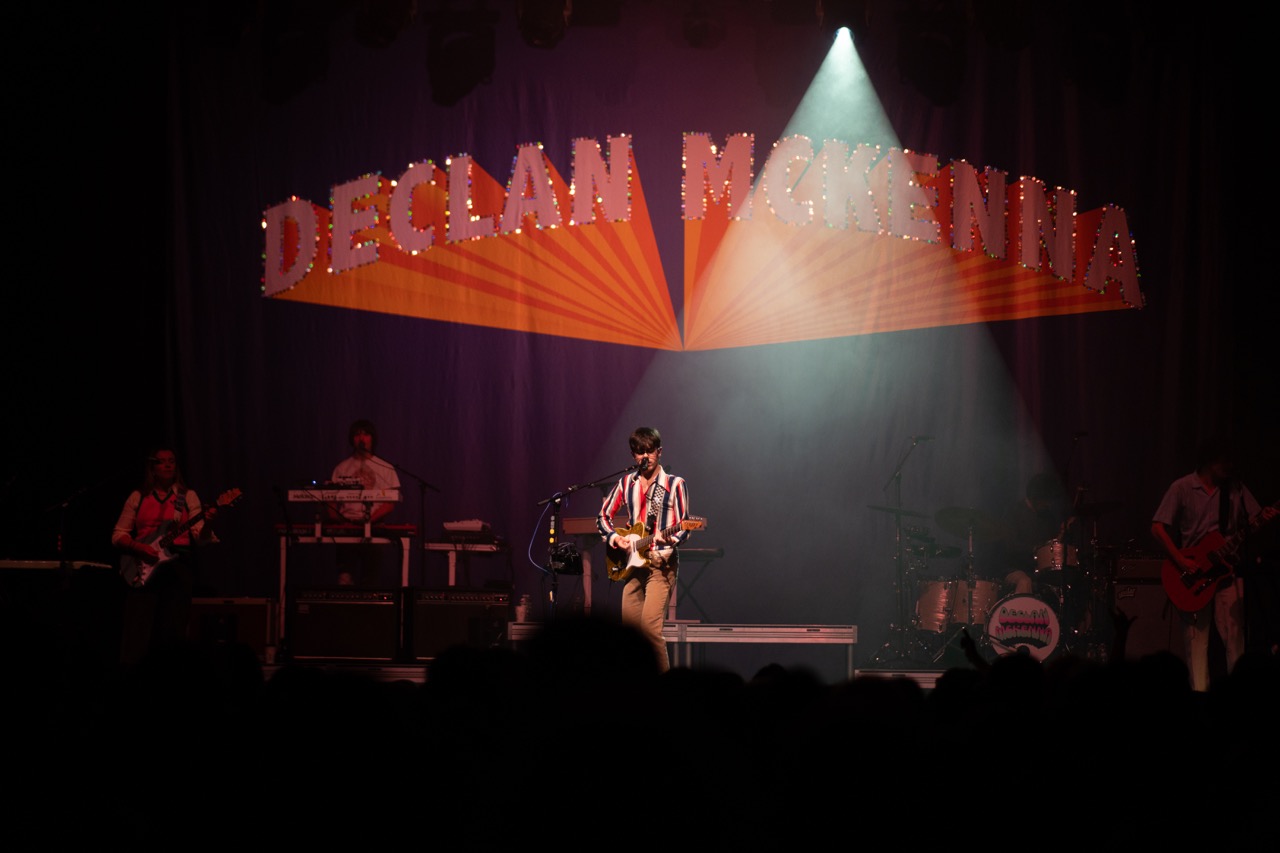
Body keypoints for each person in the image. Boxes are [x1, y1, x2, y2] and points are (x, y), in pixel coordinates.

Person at [1151, 437, 1277, 692]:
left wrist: (1265, 518)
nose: (1229, 466)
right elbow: (1157, 528)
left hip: (1227, 574)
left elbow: (1253, 520)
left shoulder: (1236, 488)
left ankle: (1239, 697)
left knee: (1235, 639)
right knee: (1196, 645)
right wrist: (1181, 560)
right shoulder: (1182, 487)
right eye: (1224, 461)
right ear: (1209, 462)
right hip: (1192, 576)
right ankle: (1199, 700)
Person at [596, 427, 693, 673]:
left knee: (650, 631)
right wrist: (616, 538)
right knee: (629, 636)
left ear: (659, 452)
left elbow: (684, 527)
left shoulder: (674, 484)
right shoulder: (626, 483)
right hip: (632, 564)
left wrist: (666, 539)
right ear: (633, 455)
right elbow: (603, 517)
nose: (644, 457)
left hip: (661, 565)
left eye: (649, 451)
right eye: (639, 452)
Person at [111, 447, 218, 665]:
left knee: (173, 630)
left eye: (172, 461)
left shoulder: (187, 496)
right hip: (143, 566)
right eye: (162, 462)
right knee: (137, 630)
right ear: (152, 467)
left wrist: (208, 523)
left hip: (177, 567)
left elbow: (201, 537)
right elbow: (118, 534)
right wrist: (138, 547)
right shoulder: (138, 496)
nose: (168, 465)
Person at [329, 418, 401, 586]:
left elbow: (390, 503)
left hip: (374, 528)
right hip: (347, 529)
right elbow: (330, 502)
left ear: (372, 438)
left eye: (366, 434)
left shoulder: (385, 468)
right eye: (357, 434)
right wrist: (340, 521)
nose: (361, 438)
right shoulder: (341, 468)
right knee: (344, 579)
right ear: (352, 439)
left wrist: (369, 520)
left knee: (370, 580)